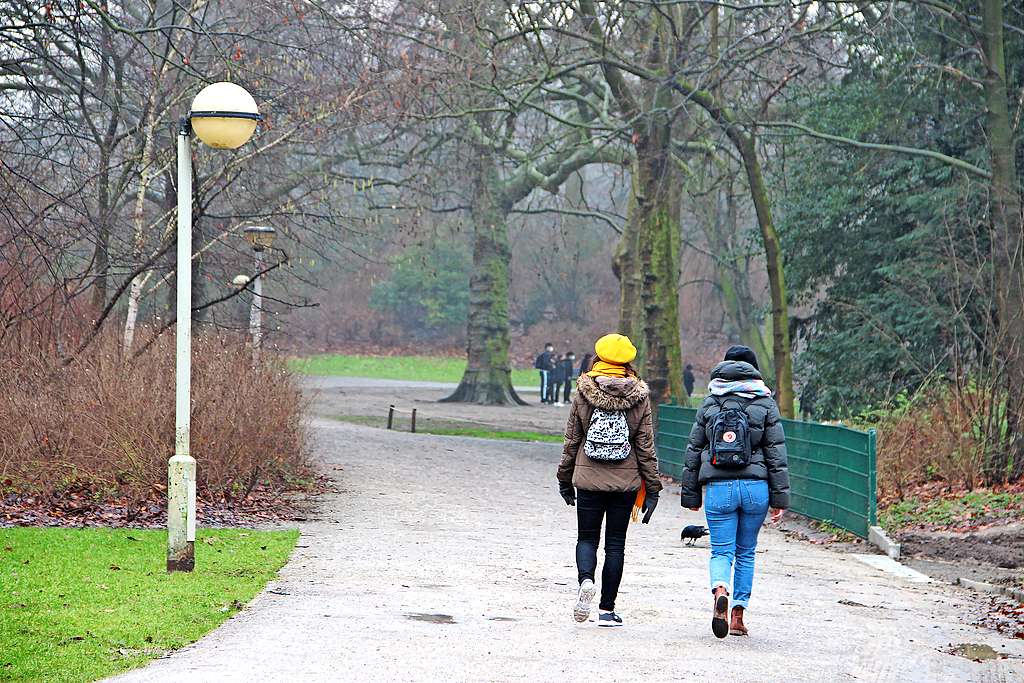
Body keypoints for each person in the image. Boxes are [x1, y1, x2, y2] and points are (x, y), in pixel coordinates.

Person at [680, 344, 789, 639]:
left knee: (721, 550)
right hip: (756, 487)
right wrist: (779, 498)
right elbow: (776, 454)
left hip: (719, 487)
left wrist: (691, 495)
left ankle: (720, 590)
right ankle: (738, 615)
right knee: (746, 552)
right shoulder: (765, 403)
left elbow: (693, 450)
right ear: (754, 370)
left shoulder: (711, 402)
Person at [557, 333, 662, 627]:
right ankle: (606, 610)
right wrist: (652, 488)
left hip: (588, 479)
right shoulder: (639, 397)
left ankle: (586, 580)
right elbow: (645, 446)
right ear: (628, 361)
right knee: (615, 546)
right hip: (625, 484)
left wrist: (565, 478)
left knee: (587, 538)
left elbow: (572, 440)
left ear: (598, 357)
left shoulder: (583, 393)